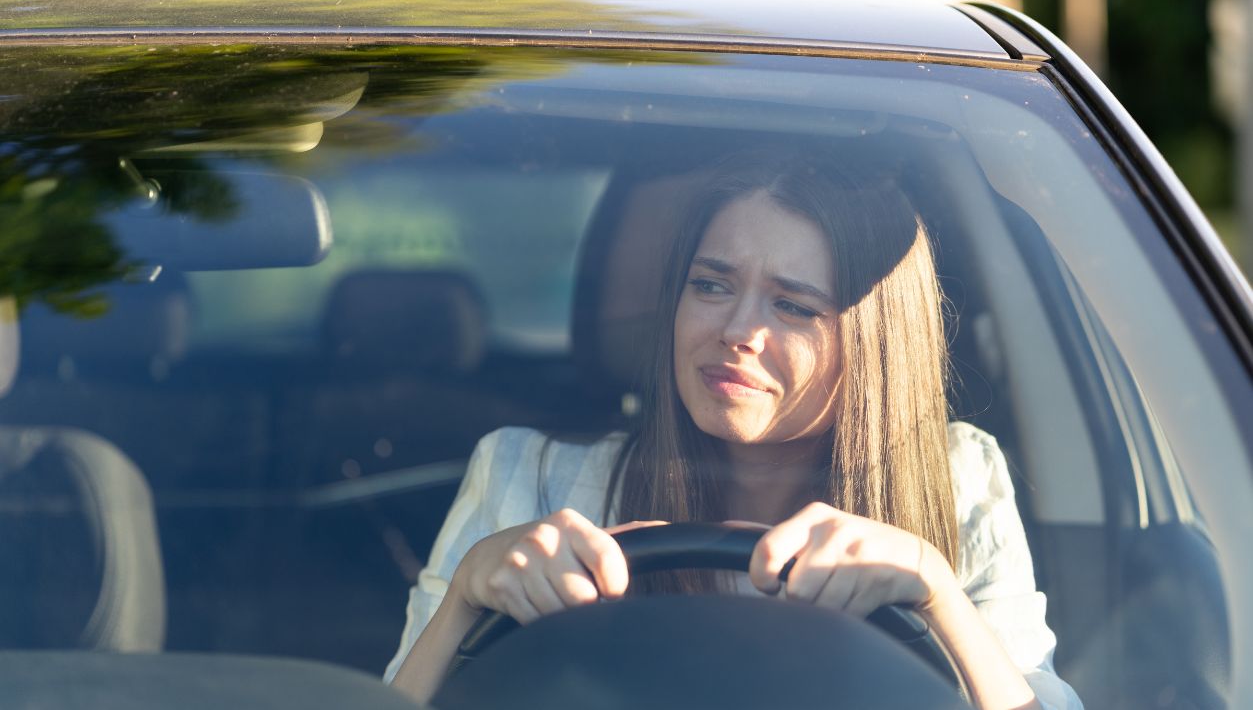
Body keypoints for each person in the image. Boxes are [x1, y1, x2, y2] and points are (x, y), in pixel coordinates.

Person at [385, 151, 1083, 710]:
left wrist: (934, 587)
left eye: (792, 305)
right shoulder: (527, 477)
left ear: (872, 346)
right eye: (712, 286)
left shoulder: (957, 479)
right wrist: (462, 600)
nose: (738, 332)